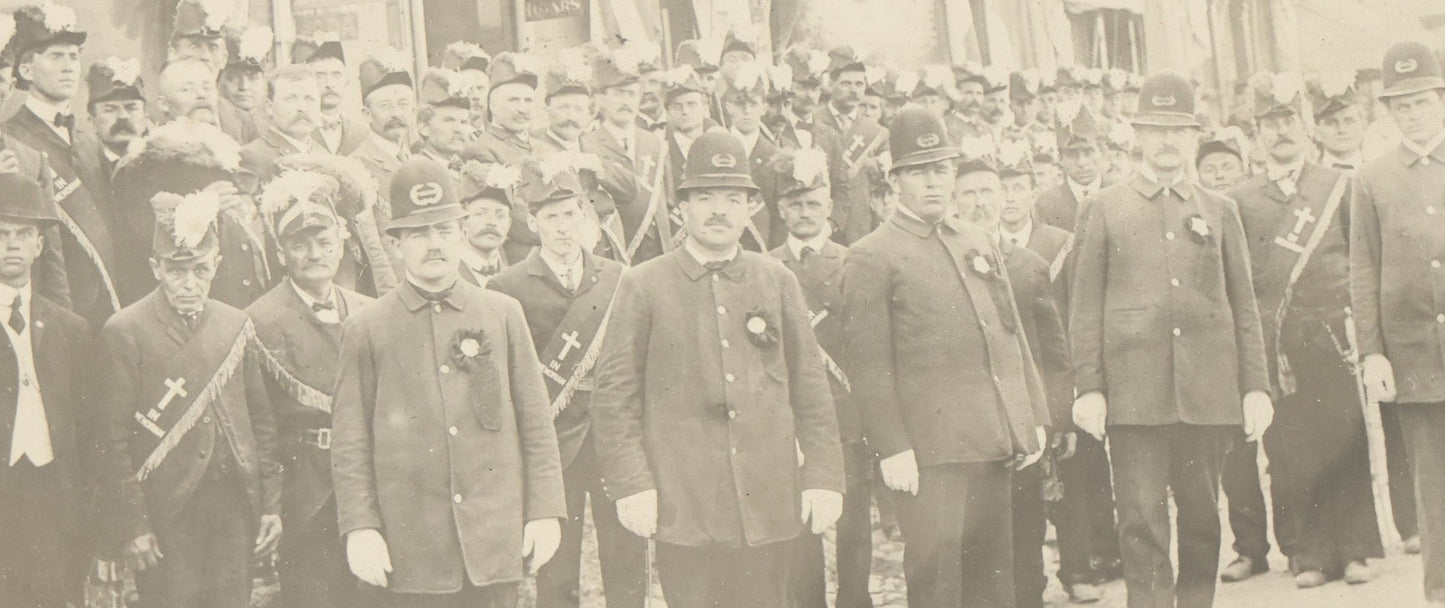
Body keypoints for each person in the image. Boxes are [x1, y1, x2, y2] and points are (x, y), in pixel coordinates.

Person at [591, 131, 844, 608]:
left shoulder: (776, 279)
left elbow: (811, 389)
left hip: (769, 499)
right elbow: (615, 397)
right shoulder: (645, 285)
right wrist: (633, 485)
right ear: (682, 207)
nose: (718, 211)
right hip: (685, 505)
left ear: (750, 208)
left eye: (732, 198)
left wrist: (825, 476)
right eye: (704, 197)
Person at [1070, 72, 1272, 608]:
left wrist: (1255, 386)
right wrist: (1089, 386)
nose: (1166, 141)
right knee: (1140, 520)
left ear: (1192, 137)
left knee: (1203, 518)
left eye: (1177, 131)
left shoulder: (1219, 210)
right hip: (1135, 396)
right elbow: (1084, 306)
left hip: (1206, 393)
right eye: (1155, 130)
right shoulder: (1104, 207)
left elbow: (1243, 304)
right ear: (1137, 135)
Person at [842, 106, 1048, 607]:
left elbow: (1009, 333)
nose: (933, 183)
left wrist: (1031, 416)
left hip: (989, 438)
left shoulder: (975, 240)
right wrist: (891, 446)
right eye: (918, 172)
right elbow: (867, 364)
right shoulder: (873, 254)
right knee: (937, 579)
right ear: (895, 181)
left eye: (940, 169)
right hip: (927, 451)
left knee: (993, 575)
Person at [1231, 71, 1383, 589]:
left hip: (1331, 335)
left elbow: (1360, 258)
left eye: (1289, 121)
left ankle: (1359, 548)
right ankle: (1312, 554)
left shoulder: (1338, 185)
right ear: (1256, 134)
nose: (1281, 133)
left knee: (1345, 437)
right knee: (1292, 448)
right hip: (1277, 344)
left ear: (1306, 127)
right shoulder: (1241, 199)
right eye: (1270, 124)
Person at [100, 187, 282, 608]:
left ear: (216, 265)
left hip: (234, 507)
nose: (189, 283)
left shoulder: (235, 324)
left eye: (200, 270)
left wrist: (270, 504)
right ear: (155, 268)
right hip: (167, 513)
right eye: (176, 270)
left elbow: (261, 423)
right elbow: (110, 441)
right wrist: (134, 524)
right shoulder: (125, 330)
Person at [487, 157, 646, 608]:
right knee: (555, 563)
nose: (563, 227)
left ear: (585, 215)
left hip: (615, 438)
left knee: (629, 555)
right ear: (533, 223)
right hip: (553, 443)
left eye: (571, 214)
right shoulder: (508, 285)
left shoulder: (617, 278)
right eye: (551, 217)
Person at [247, 163, 375, 608]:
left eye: (324, 242)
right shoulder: (260, 320)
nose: (315, 253)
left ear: (341, 245)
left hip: (367, 483)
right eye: (300, 245)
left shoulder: (368, 311)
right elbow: (260, 427)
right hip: (306, 489)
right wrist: (272, 504)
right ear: (281, 254)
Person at [955, 142, 1072, 608]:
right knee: (976, 537)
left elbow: (1055, 353)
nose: (981, 203)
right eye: (969, 194)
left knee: (1026, 529)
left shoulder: (1028, 266)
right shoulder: (942, 268)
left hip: (1023, 423)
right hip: (968, 428)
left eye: (988, 192)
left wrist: (1057, 420)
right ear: (954, 200)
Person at [1311, 69, 1421, 554]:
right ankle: (1358, 540)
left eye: (1348, 118)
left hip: (1385, 307)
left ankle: (1413, 522)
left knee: (1401, 416)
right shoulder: (1308, 181)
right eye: (1329, 120)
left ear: (1365, 119)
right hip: (1328, 316)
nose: (1339, 128)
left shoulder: (1384, 169)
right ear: (1316, 127)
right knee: (1342, 427)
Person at [1351, 41, 1445, 607]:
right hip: (1411, 354)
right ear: (1390, 112)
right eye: (1402, 105)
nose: (1414, 113)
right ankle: (1439, 588)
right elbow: (1364, 272)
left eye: (1423, 100)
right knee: (1430, 483)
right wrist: (1373, 353)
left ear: (1441, 99)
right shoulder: (1371, 179)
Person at [767, 147, 873, 608]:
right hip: (791, 414)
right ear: (781, 209)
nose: (805, 213)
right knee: (800, 518)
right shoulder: (765, 267)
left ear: (829, 207)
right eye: (795, 203)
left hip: (846, 411)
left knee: (852, 522)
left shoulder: (854, 261)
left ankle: (855, 599)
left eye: (813, 203)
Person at [0, 173, 97, 608]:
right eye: (1, 234)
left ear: (40, 245)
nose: (12, 245)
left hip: (54, 491)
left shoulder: (69, 329)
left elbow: (88, 427)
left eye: (24, 234)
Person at [5, 4, 121, 325]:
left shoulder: (87, 141)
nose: (70, 66)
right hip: (52, 309)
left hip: (107, 306)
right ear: (26, 71)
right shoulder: (10, 138)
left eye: (74, 56)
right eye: (57, 56)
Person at [584, 46, 669, 264]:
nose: (626, 101)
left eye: (631, 94)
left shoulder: (654, 142)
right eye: (618, 94)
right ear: (601, 98)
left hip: (659, 253)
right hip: (617, 251)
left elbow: (667, 201)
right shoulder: (587, 144)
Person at [466, 52, 544, 262]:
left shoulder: (544, 147)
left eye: (528, 100)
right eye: (513, 100)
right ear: (492, 106)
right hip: (523, 258)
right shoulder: (482, 149)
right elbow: (513, 215)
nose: (523, 109)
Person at [817, 47, 888, 245]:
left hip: (860, 221)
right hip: (824, 216)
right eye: (846, 83)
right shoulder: (815, 121)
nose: (854, 89)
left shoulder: (875, 131)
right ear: (831, 85)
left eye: (859, 84)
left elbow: (885, 180)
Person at [720, 61, 782, 250]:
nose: (747, 110)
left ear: (764, 107)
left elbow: (780, 214)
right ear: (729, 106)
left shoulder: (774, 154)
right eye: (740, 103)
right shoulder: (716, 146)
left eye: (753, 103)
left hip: (762, 247)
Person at [348, 48, 416, 203]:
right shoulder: (357, 166)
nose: (396, 113)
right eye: (385, 106)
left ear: (413, 111)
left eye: (403, 104)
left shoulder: (416, 161)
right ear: (367, 114)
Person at [240, 65, 324, 185]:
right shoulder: (252, 156)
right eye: (291, 99)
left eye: (309, 99)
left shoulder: (324, 155)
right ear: (269, 107)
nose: (302, 108)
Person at [294, 33, 369, 156]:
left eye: (336, 75)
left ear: (347, 82)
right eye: (320, 76)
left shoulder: (362, 134)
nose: (329, 84)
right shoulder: (296, 130)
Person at [81, 58, 149, 195]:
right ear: (92, 120)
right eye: (110, 109)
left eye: (131, 108)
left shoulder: (162, 165)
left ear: (145, 117)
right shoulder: (83, 170)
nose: (123, 116)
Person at [1035, 100, 1105, 232]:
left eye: (1088, 152)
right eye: (1072, 154)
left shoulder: (1122, 196)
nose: (1081, 162)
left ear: (1101, 152)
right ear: (1060, 158)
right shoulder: (1046, 204)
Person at [454, 164, 517, 286]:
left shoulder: (515, 280)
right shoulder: (446, 276)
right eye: (480, 214)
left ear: (509, 224)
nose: (492, 222)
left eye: (500, 216)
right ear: (463, 220)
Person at [217, 24, 271, 146]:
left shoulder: (274, 123)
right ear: (218, 81)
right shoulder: (214, 125)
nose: (244, 86)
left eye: (253, 77)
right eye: (233, 78)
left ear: (264, 82)